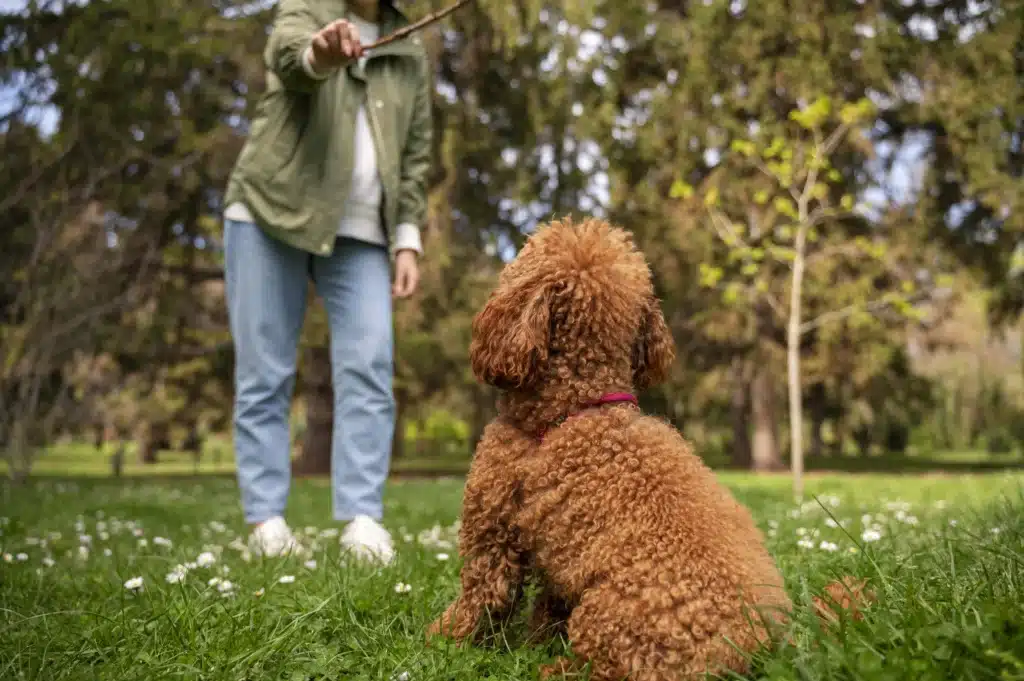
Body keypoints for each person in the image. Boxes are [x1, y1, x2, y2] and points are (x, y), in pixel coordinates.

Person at [221, 0, 431, 564]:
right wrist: (321, 52)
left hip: (362, 234)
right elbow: (289, 58)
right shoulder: (306, 7)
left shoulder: (409, 47)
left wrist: (407, 235)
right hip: (270, 212)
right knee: (265, 371)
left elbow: (415, 153)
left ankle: (363, 521)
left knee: (370, 366)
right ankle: (266, 524)